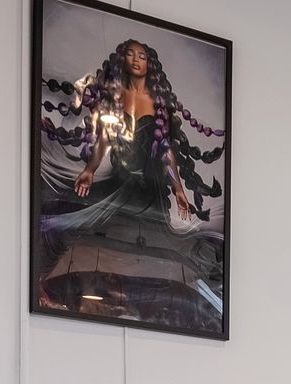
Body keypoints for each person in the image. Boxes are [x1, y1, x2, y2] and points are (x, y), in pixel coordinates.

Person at [37, 35, 227, 310]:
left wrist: (179, 190)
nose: (136, 60)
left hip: (151, 186)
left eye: (142, 55)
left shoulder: (159, 103)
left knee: (170, 240)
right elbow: (104, 138)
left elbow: (166, 151)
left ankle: (215, 290)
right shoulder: (115, 98)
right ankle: (39, 277)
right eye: (131, 54)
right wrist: (89, 170)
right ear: (122, 59)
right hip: (122, 178)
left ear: (150, 63)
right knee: (71, 219)